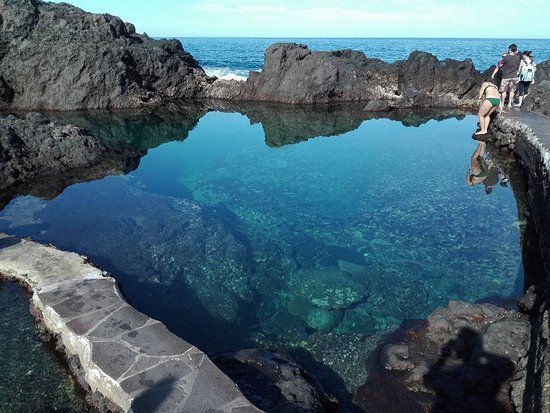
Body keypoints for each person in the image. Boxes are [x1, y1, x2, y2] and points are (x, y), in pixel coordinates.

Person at [495, 44, 521, 112]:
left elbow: (500, 65)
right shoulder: (518, 58)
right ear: (515, 50)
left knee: (504, 91)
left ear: (510, 49)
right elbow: (519, 66)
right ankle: (509, 104)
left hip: (506, 76)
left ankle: (503, 104)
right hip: (514, 76)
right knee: (512, 90)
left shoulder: (506, 57)